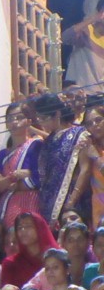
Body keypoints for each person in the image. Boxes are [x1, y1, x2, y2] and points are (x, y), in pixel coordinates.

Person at [36, 94, 89, 223]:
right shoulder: (48, 141)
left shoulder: (80, 134)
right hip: (49, 206)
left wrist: (71, 201)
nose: (41, 123)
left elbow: (85, 170)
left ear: (57, 114)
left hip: (74, 202)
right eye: (39, 119)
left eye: (44, 118)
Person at [62, 0, 104, 91]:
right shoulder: (86, 31)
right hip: (79, 94)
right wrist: (92, 19)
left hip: (99, 96)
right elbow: (63, 38)